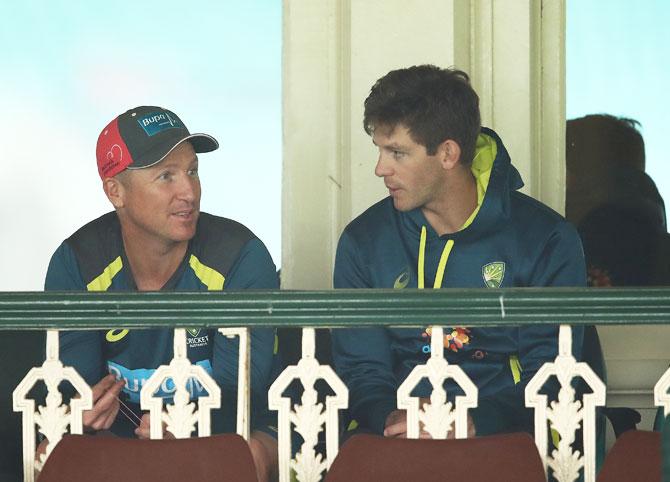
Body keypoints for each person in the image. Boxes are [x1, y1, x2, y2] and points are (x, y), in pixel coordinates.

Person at [331, 65, 586, 438]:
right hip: (398, 432)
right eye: (380, 150)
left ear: (448, 153)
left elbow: (553, 371)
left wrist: (475, 421)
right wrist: (389, 414)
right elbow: (363, 370)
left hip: (507, 433)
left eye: (397, 153)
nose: (380, 168)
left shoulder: (546, 238)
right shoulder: (363, 240)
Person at [44, 106, 278, 481]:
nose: (189, 191)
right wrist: (82, 416)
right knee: (48, 452)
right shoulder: (78, 262)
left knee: (247, 454)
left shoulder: (240, 255)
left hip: (229, 428)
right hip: (123, 436)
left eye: (192, 171)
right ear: (115, 191)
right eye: (166, 176)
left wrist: (187, 425)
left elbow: (240, 397)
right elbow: (78, 389)